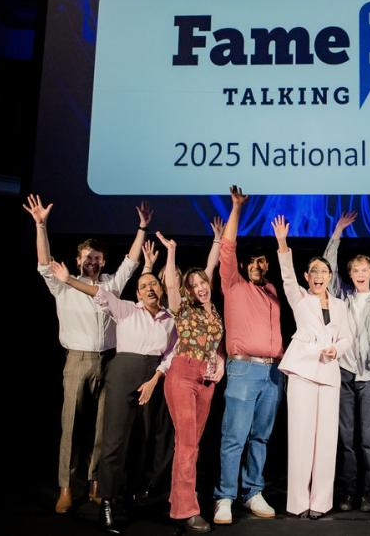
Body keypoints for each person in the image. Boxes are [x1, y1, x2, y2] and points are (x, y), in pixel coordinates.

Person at [24, 194, 151, 513]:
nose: (92, 262)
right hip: (77, 360)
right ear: (78, 259)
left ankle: (94, 482)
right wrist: (41, 226)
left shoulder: (110, 284)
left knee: (102, 425)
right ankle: (66, 487)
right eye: (87, 257)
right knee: (71, 424)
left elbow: (131, 262)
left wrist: (141, 228)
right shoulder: (64, 283)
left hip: (109, 361)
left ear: (103, 261)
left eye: (97, 258)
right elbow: (43, 263)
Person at [48, 260, 176, 535]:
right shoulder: (127, 309)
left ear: (161, 289)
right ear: (138, 294)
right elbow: (98, 294)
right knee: (114, 441)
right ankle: (106, 501)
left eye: (153, 283)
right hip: (122, 376)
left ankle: (133, 495)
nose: (149, 287)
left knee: (143, 440)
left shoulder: (170, 319)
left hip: (152, 379)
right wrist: (69, 280)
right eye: (143, 286)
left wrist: (155, 379)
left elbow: (169, 355)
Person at [271, 215, 353, 518]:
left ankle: (320, 503)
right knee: (301, 437)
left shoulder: (341, 305)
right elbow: (287, 277)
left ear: (330, 276)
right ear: (308, 275)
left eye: (324, 270)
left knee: (327, 440)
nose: (319, 275)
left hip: (330, 374)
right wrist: (282, 243)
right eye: (314, 271)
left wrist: (336, 348)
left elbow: (347, 339)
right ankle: (298, 502)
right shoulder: (300, 298)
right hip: (304, 371)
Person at [213, 185, 284, 525]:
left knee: (261, 436)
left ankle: (252, 491)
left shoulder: (271, 291)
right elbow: (227, 247)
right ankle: (225, 496)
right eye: (252, 261)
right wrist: (236, 209)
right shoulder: (233, 284)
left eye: (262, 260)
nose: (258, 265)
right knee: (234, 437)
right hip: (242, 370)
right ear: (243, 265)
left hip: (273, 373)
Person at [155, 229, 227, 534]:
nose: (200, 287)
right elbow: (172, 283)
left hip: (206, 380)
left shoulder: (214, 311)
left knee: (192, 444)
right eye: (193, 284)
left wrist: (220, 363)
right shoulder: (182, 307)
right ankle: (186, 509)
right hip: (182, 374)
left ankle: (177, 497)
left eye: (202, 283)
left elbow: (209, 268)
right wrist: (171, 252)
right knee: (186, 444)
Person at [323, 211, 370, 513]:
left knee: (368, 439)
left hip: (368, 377)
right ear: (351, 275)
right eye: (356, 270)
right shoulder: (341, 298)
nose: (361, 273)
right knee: (347, 440)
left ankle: (367, 493)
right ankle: (348, 492)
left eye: (365, 269)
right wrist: (337, 232)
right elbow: (328, 269)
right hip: (343, 374)